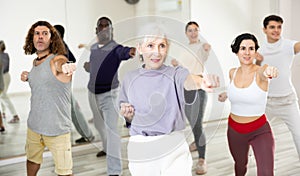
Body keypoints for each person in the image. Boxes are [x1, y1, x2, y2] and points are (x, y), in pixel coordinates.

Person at [119, 23, 220, 176]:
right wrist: (127, 113)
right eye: (150, 45)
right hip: (141, 146)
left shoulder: (175, 73)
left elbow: (189, 80)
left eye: (162, 46)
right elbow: (126, 110)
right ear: (139, 48)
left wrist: (203, 82)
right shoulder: (130, 78)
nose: (157, 52)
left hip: (173, 145)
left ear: (168, 47)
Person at [21, 20, 76, 176]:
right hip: (34, 126)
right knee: (32, 160)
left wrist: (67, 67)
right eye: (37, 33)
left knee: (64, 172)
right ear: (32, 38)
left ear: (52, 39)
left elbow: (62, 65)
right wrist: (28, 77)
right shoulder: (36, 63)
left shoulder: (57, 59)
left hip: (57, 129)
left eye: (45, 33)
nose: (40, 37)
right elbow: (44, 83)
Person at [218, 33, 278, 176]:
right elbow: (240, 92)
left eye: (251, 48)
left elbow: (266, 71)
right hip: (235, 130)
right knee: (240, 166)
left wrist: (270, 70)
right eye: (243, 48)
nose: (247, 52)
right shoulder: (232, 72)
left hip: (260, 130)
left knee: (266, 173)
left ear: (255, 52)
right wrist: (226, 94)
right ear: (237, 51)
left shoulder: (261, 72)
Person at [85, 16, 135, 176]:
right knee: (100, 127)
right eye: (102, 26)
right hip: (92, 94)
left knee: (112, 131)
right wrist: (89, 66)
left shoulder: (116, 48)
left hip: (110, 96)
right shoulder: (93, 48)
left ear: (112, 31)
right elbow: (96, 67)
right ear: (97, 30)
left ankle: (114, 172)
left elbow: (125, 52)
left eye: (108, 26)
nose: (105, 28)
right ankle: (106, 148)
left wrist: (133, 51)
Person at [255, 14, 300, 160]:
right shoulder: (259, 51)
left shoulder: (288, 45)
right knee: (254, 133)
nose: (276, 30)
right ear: (264, 29)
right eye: (272, 27)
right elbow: (254, 75)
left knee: (299, 134)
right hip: (267, 102)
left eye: (279, 27)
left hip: (288, 101)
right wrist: (257, 62)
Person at [170, 21, 211, 175]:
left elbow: (205, 54)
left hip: (199, 89)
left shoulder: (202, 47)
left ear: (199, 31)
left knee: (198, 124)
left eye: (195, 30)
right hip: (185, 89)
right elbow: (182, 67)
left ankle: (202, 159)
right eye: (190, 30)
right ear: (186, 33)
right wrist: (176, 64)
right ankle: (196, 142)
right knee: (192, 123)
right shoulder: (184, 49)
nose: (193, 33)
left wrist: (207, 49)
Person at [54, 24, 94, 144]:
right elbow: (72, 59)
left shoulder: (60, 46)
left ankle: (87, 135)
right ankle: (86, 134)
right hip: (59, 83)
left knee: (72, 109)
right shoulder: (59, 45)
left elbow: (71, 60)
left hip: (62, 84)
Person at [0, 40, 20, 123]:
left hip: (3, 76)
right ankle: (3, 113)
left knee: (3, 95)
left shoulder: (3, 56)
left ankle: (15, 115)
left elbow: (3, 68)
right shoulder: (5, 55)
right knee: (2, 96)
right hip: (5, 76)